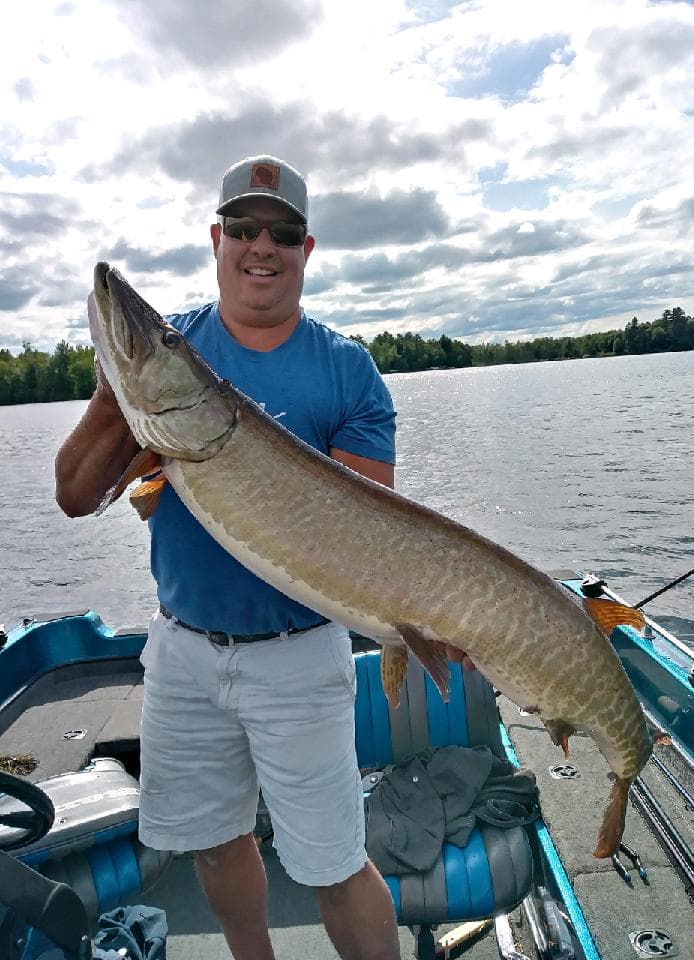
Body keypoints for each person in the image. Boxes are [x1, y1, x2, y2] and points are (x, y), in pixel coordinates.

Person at [55, 155, 402, 960]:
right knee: (214, 842)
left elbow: (370, 534)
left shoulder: (346, 369)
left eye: (281, 233)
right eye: (243, 228)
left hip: (299, 656)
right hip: (183, 650)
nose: (261, 246)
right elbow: (75, 495)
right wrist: (122, 391)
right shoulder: (173, 356)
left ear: (305, 250)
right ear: (217, 238)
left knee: (333, 863)